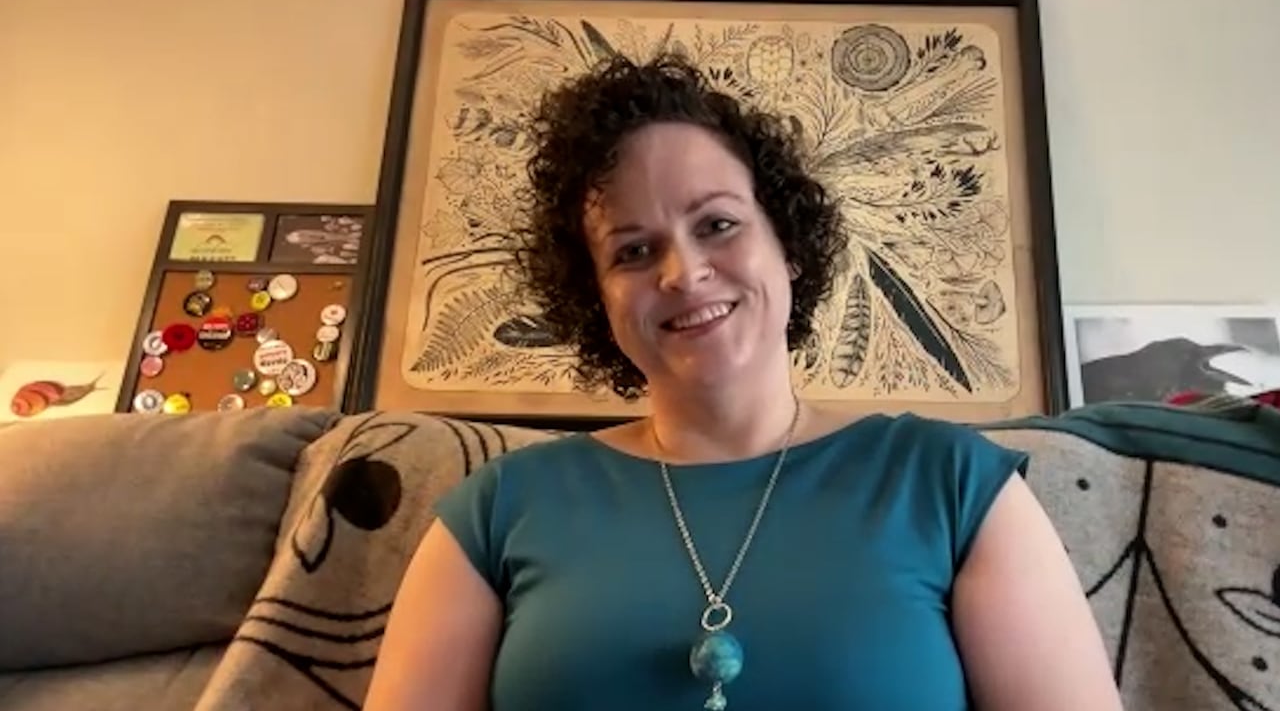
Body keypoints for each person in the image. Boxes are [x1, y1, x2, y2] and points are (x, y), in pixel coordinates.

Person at [363, 52, 1123, 711]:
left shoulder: (954, 488)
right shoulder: (499, 510)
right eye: (632, 251)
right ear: (595, 295)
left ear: (786, 245)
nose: (684, 272)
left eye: (718, 224)